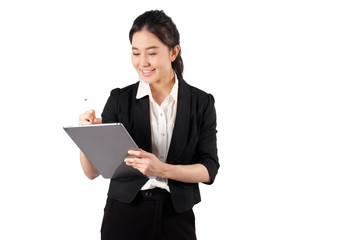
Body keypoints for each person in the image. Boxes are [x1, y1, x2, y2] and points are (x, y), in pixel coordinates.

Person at [78, 10, 219, 240]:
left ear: (174, 52)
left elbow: (209, 169)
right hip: (123, 216)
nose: (142, 62)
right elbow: (91, 172)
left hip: (176, 218)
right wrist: (88, 136)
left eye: (152, 53)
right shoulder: (119, 100)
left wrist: (162, 170)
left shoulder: (200, 103)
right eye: (135, 53)